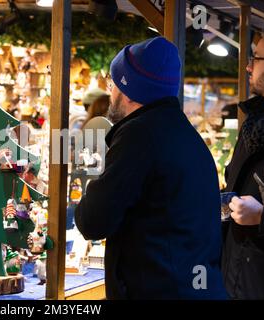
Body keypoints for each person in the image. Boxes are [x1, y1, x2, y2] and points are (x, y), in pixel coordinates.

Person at [74, 36, 227, 299]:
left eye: (112, 84)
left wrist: (92, 184)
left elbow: (93, 220)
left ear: (129, 90)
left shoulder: (139, 135)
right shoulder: (183, 133)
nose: (110, 93)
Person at [221, 26, 264, 299]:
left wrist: (263, 219)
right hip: (238, 278)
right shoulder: (255, 126)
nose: (247, 66)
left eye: (256, 58)